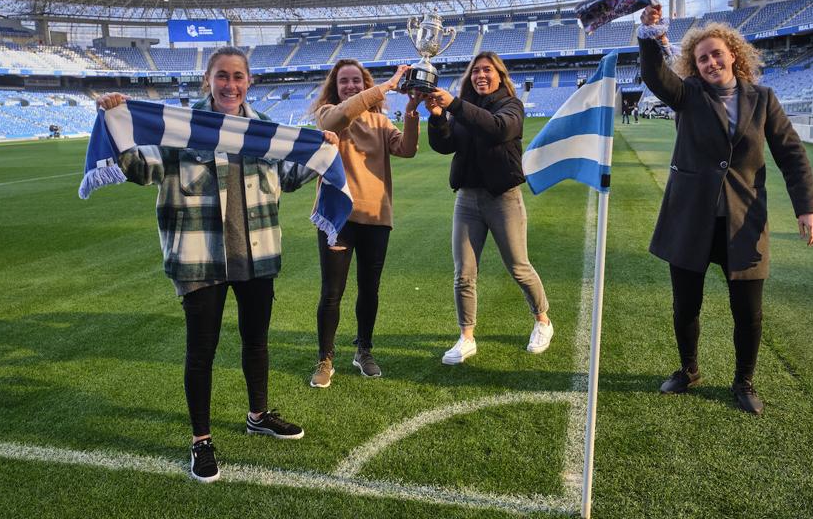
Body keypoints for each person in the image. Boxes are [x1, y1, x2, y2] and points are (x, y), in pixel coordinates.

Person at [95, 46, 338, 483]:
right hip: (198, 258)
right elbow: (141, 168)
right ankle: (201, 441)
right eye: (222, 76)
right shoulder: (181, 128)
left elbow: (287, 176)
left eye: (238, 76)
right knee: (201, 351)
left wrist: (322, 153)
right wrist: (116, 122)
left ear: (249, 82)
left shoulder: (265, 129)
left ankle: (258, 414)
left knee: (256, 342)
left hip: (256, 255)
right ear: (209, 80)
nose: (230, 84)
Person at [638, 4, 813, 415]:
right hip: (689, 220)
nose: (710, 62)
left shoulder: (763, 99)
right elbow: (655, 76)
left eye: (716, 54)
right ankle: (688, 370)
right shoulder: (687, 94)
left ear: (734, 55)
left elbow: (791, 153)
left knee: (748, 311)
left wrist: (807, 207)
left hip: (744, 223)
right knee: (685, 305)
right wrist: (650, 35)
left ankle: (744, 381)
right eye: (702, 57)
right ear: (694, 64)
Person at [425, 51, 551, 365]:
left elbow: (498, 129)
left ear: (499, 75)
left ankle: (543, 321)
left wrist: (454, 105)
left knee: (519, 267)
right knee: (464, 274)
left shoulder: (511, 105)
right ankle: (467, 337)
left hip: (503, 198)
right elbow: (444, 145)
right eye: (476, 71)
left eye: (487, 70)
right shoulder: (464, 109)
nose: (481, 75)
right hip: (467, 199)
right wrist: (439, 117)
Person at [308, 60, 419, 387]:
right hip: (338, 217)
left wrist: (412, 108)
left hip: (376, 216)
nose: (352, 86)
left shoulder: (381, 121)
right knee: (332, 291)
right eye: (345, 82)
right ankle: (325, 358)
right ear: (335, 87)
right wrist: (384, 87)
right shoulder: (329, 115)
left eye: (357, 80)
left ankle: (364, 351)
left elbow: (408, 149)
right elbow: (339, 116)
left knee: (369, 290)